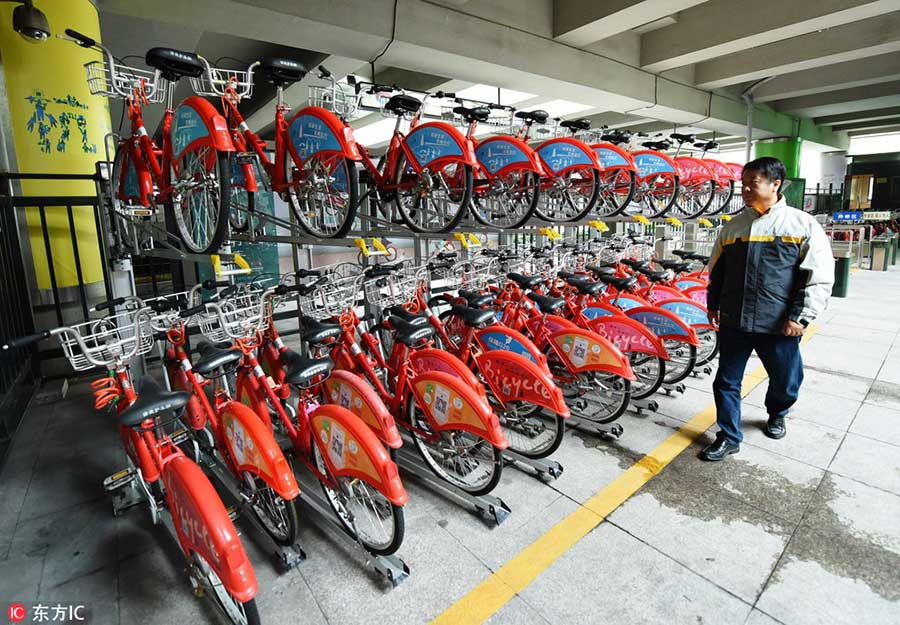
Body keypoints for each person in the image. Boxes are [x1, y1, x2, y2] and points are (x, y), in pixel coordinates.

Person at [701, 157, 835, 461]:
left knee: (786, 379)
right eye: (743, 183)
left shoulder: (800, 225)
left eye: (753, 183)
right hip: (735, 320)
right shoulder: (734, 227)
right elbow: (718, 272)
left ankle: (777, 412)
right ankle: (729, 436)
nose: (746, 189)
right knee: (726, 381)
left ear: (775, 184)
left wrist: (801, 316)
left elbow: (818, 275)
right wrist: (713, 304)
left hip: (779, 323)